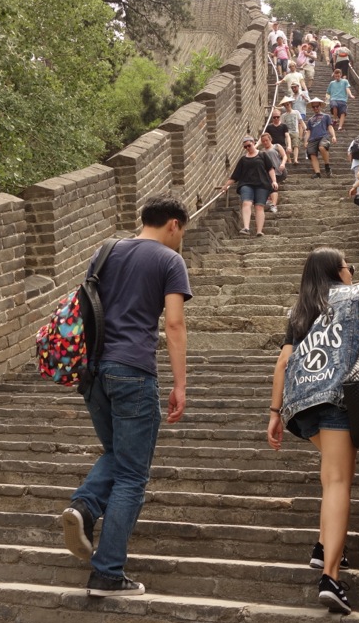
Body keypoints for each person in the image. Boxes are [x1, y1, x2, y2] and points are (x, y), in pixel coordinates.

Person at [61, 195, 192, 597]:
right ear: (173, 224)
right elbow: (174, 324)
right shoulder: (170, 261)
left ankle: (84, 507)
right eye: (182, 232)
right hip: (133, 371)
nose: (180, 240)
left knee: (118, 453)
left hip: (93, 372)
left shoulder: (105, 251)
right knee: (133, 475)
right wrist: (180, 384)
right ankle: (107, 572)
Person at [267, 248, 359, 613]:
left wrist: (275, 413)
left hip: (301, 402)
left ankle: (324, 548)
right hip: (338, 398)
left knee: (334, 475)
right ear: (338, 270)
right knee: (337, 481)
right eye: (349, 265)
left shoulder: (301, 309)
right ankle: (331, 578)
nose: (352, 271)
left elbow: (284, 361)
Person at [222, 135, 278, 237]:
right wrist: (225, 186)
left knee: (259, 206)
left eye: (249, 145)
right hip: (246, 184)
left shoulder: (262, 155)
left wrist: (274, 181)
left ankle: (259, 231)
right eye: (245, 147)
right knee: (246, 202)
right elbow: (235, 175)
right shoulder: (243, 159)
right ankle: (246, 228)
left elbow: (270, 169)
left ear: (254, 143)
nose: (247, 148)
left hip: (262, 184)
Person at [304, 98, 336, 179]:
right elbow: (308, 131)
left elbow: (330, 126)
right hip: (312, 139)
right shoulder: (310, 120)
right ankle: (317, 173)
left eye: (317, 106)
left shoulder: (326, 116)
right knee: (312, 154)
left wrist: (333, 136)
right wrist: (305, 141)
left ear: (320, 106)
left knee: (322, 147)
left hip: (323, 136)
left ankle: (327, 166)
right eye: (313, 107)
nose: (315, 108)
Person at [258, 131, 287, 213]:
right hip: (269, 173)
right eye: (263, 141)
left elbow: (284, 156)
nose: (265, 142)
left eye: (266, 140)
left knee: (272, 186)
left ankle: (271, 202)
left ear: (270, 139)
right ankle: (272, 204)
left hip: (279, 170)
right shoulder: (262, 151)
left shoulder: (277, 146)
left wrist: (283, 164)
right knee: (272, 186)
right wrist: (258, 144)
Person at [279, 95, 305, 164]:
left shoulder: (296, 112)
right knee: (288, 145)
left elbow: (301, 121)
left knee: (296, 145)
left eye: (288, 104)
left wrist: (305, 128)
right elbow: (282, 125)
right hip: (287, 133)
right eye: (285, 105)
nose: (287, 106)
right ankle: (289, 160)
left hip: (295, 131)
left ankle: (295, 159)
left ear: (290, 104)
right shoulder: (283, 116)